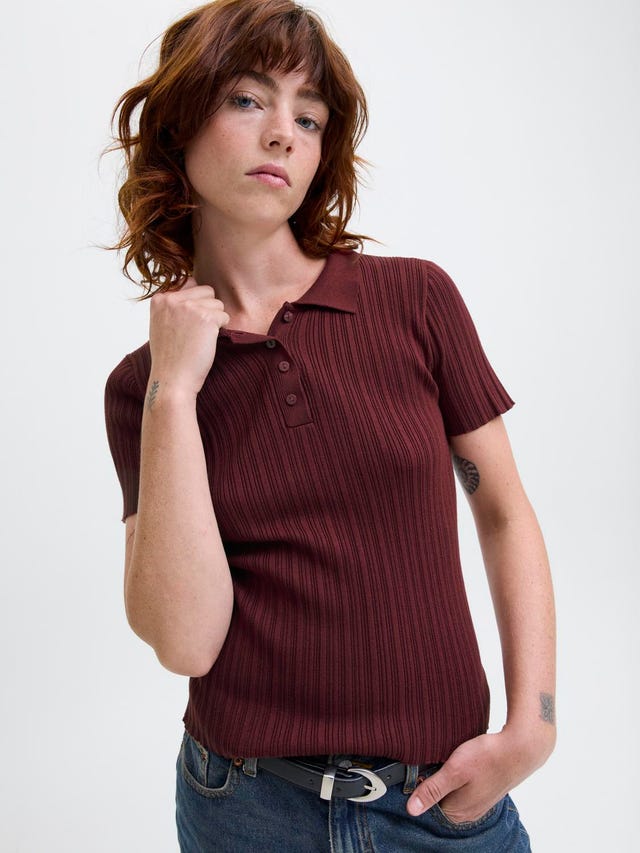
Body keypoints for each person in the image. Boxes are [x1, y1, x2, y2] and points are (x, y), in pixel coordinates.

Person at [103, 1, 556, 850]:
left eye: (307, 118)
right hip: (244, 807)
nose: (282, 133)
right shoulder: (141, 388)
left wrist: (532, 725)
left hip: (440, 803)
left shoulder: (414, 300)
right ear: (178, 127)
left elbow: (502, 510)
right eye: (247, 99)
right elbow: (187, 641)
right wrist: (173, 392)